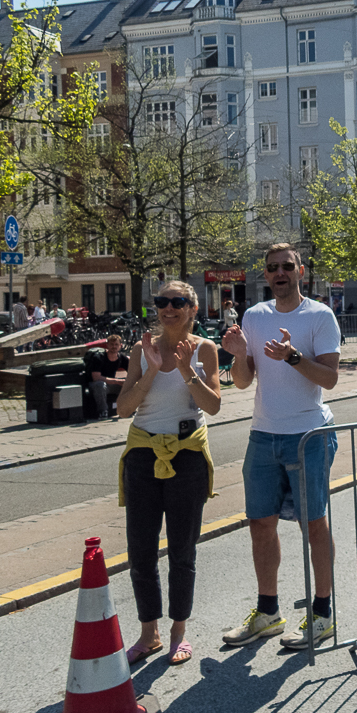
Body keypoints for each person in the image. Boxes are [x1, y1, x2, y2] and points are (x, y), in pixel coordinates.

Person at [221, 244, 341, 650]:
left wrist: (293, 357)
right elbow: (242, 381)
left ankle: (322, 614)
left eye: (287, 266)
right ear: (266, 274)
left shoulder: (319, 316)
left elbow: (329, 379)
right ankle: (268, 612)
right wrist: (239, 355)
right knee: (260, 524)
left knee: (314, 524)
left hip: (308, 435)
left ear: (300, 270)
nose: (279, 273)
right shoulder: (255, 317)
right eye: (272, 268)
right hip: (263, 435)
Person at [115, 280, 221, 667]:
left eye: (178, 302)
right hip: (144, 453)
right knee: (141, 551)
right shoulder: (141, 351)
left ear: (193, 308)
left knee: (182, 549)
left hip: (187, 454)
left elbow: (213, 406)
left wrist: (185, 371)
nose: (168, 308)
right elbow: (123, 408)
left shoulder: (204, 349)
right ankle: (149, 633)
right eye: (162, 302)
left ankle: (178, 631)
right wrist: (152, 370)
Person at [89, 334, 130, 419]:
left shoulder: (122, 358)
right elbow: (96, 378)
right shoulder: (99, 357)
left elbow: (133, 373)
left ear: (120, 346)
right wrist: (118, 381)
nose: (114, 347)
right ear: (107, 345)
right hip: (96, 385)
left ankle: (126, 410)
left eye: (116, 345)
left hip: (111, 384)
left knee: (129, 384)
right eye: (111, 344)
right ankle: (103, 411)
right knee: (100, 385)